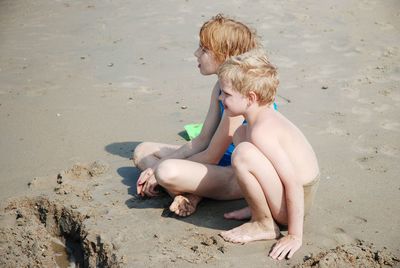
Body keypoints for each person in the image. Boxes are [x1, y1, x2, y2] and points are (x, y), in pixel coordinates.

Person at [133, 14, 260, 217]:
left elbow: (212, 155)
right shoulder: (220, 86)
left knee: (166, 171)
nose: (196, 53)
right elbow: (202, 140)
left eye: (204, 49)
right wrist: (155, 165)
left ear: (225, 55)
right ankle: (190, 193)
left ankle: (190, 193)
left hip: (235, 176)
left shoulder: (240, 96)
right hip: (216, 164)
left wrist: (157, 170)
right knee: (143, 151)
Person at [216, 50, 320, 260]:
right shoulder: (254, 124)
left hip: (296, 202)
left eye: (226, 94)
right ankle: (258, 208)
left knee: (243, 153)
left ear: (250, 98)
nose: (220, 98)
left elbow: (293, 183)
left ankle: (264, 224)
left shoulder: (263, 132)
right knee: (240, 136)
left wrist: (294, 235)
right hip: (291, 196)